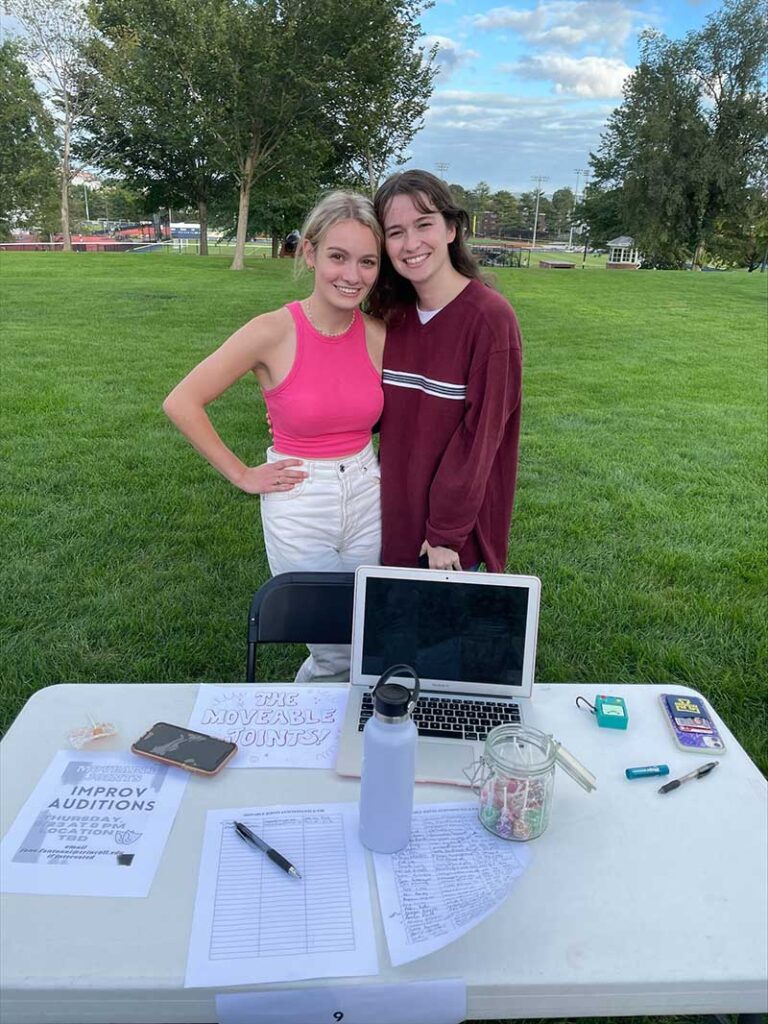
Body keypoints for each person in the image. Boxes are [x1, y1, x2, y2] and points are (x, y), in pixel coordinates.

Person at [163, 192, 385, 680]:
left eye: (367, 261)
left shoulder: (377, 334)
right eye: (338, 256)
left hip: (370, 492)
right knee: (333, 648)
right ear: (309, 253)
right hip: (300, 497)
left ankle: (346, 736)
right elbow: (182, 401)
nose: (352, 275)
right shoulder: (271, 331)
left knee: (368, 634)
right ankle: (314, 736)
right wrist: (241, 473)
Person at [369, 170, 522, 574]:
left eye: (424, 225)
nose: (411, 244)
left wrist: (444, 534)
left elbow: (480, 440)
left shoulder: (490, 320)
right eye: (396, 232)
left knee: (439, 636)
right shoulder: (391, 316)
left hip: (446, 544)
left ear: (452, 229)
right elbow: (368, 408)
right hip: (388, 524)